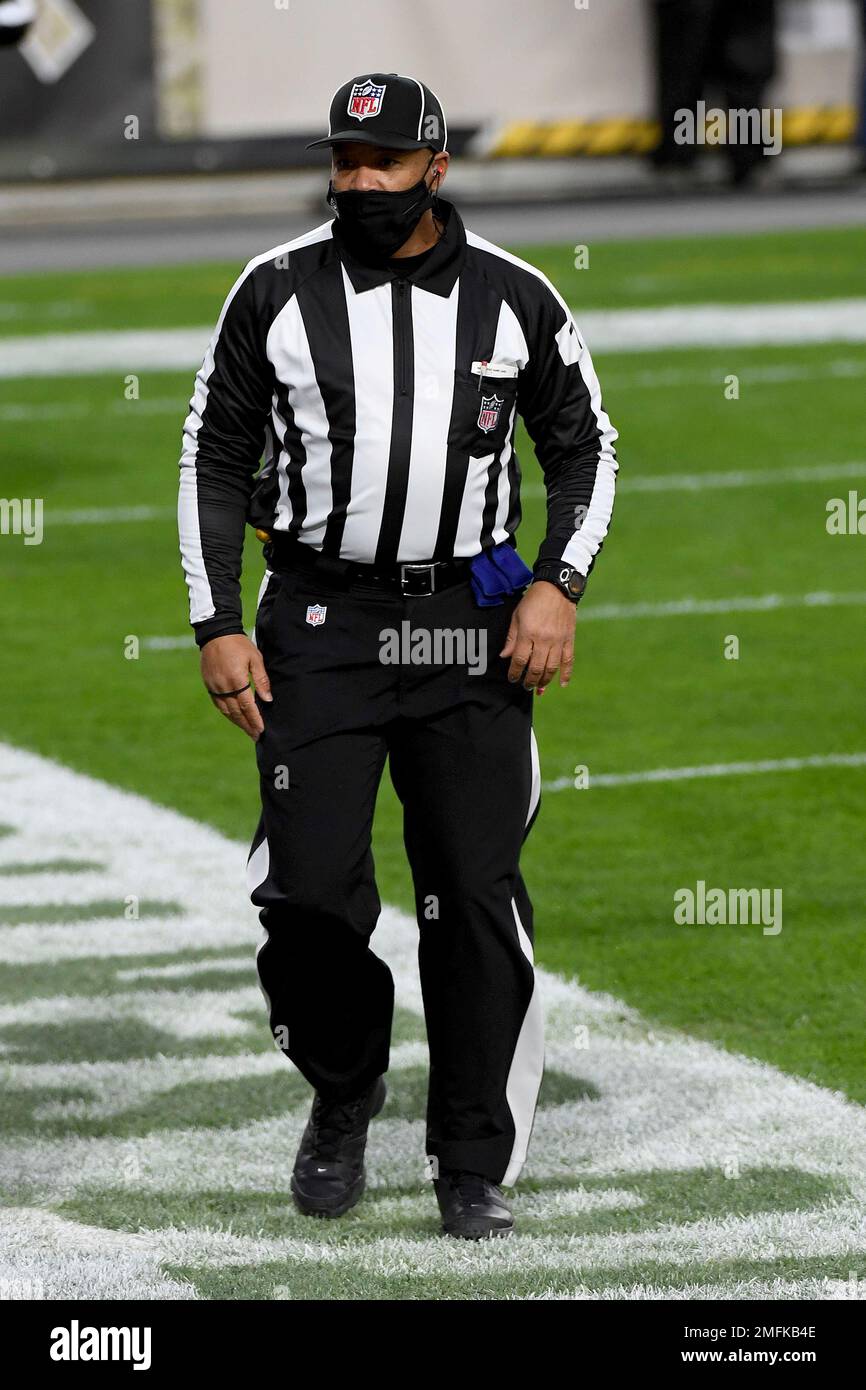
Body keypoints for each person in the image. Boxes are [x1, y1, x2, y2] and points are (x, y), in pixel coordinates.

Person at [177, 71, 618, 1239]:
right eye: (342, 161)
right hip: (317, 624)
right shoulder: (273, 289)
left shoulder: (514, 299)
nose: (357, 183)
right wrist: (216, 621)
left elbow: (585, 451)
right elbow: (212, 460)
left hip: (465, 630)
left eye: (379, 162)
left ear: (435, 166)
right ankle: (344, 1081)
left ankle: (470, 1160)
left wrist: (554, 586)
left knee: (470, 896)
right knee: (307, 896)